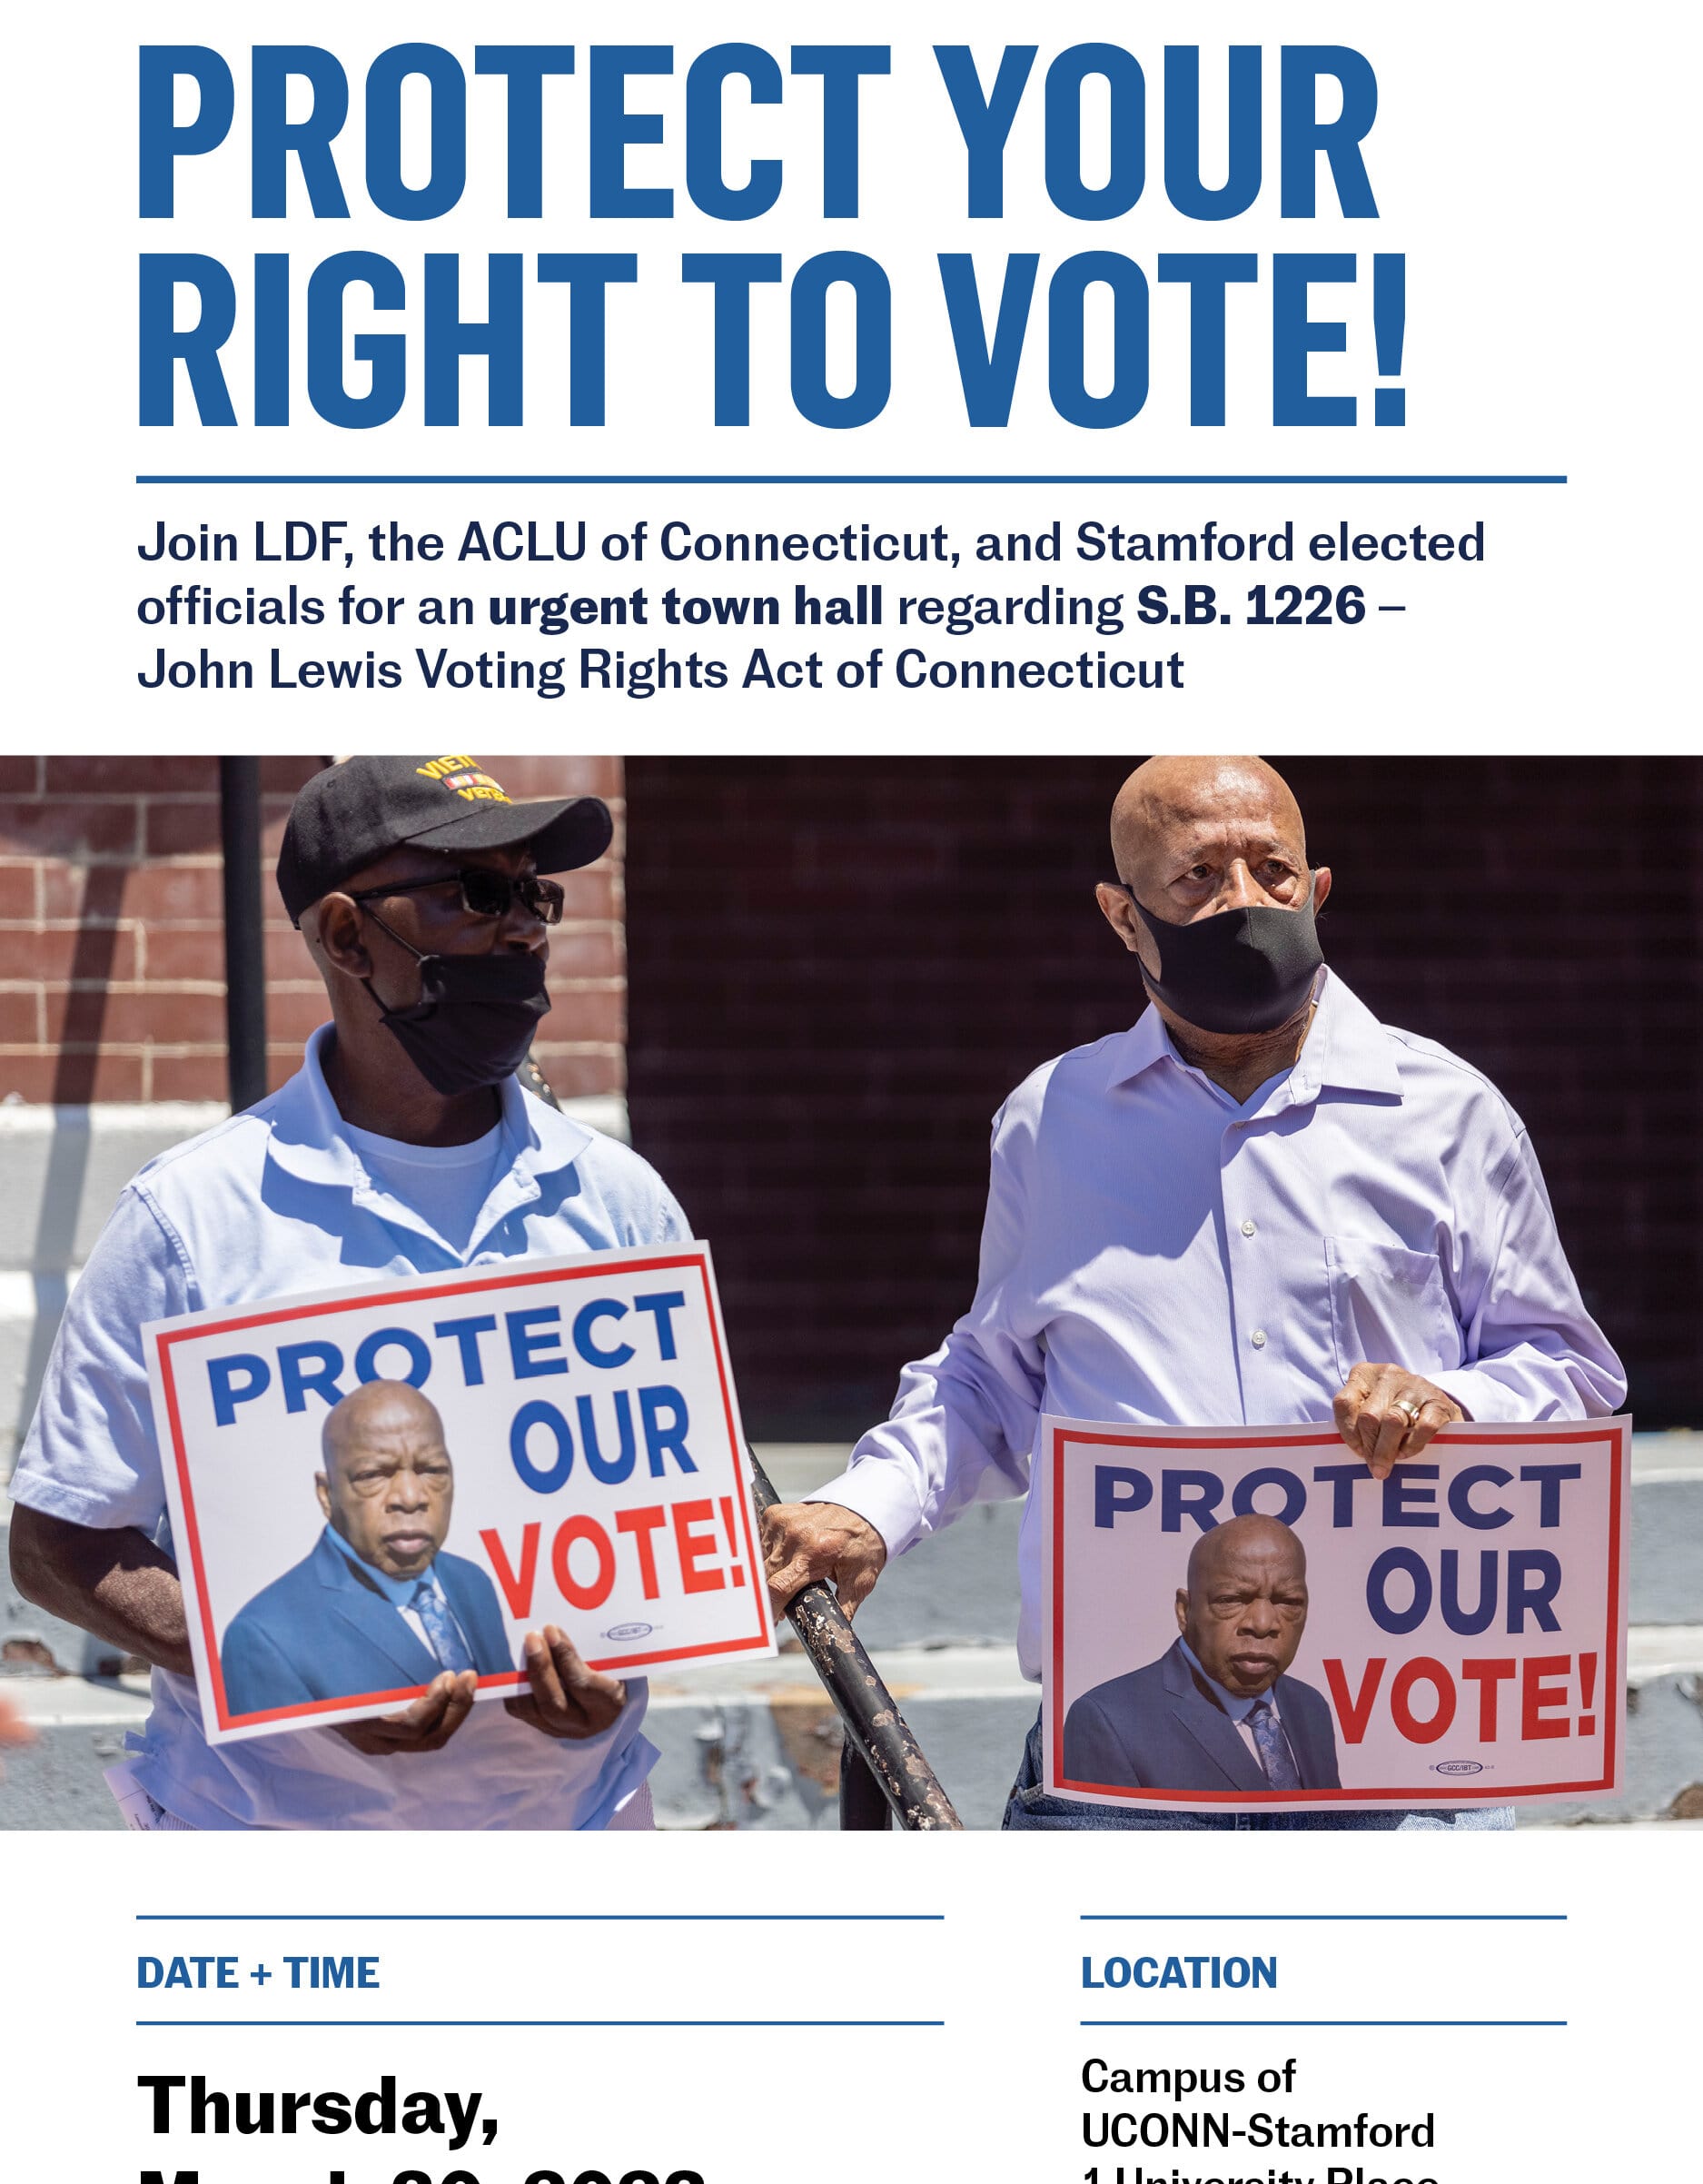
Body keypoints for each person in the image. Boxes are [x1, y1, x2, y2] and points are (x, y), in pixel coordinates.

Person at [761, 752, 1626, 1832]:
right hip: (1121, 1769)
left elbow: (1570, 1374)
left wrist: (1459, 1405)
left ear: (1317, 891)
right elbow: (992, 1373)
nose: (1245, 904)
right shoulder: (1053, 1121)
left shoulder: (1448, 1113)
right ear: (1123, 918)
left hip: (1396, 1773)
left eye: (1271, 870)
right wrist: (868, 1507)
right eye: (1198, 879)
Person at [8, 753, 686, 1830]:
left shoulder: (619, 1202)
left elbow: (670, 1511)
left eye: (534, 895)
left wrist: (638, 1648)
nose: (521, 929)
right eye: (475, 893)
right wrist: (276, 1669)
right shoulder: (191, 1221)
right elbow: (60, 1541)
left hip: (579, 1841)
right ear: (343, 936)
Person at [220, 1381, 513, 1717]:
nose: (410, 1497)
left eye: (432, 1470)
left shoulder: (470, 1582)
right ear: (327, 1495)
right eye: (374, 1474)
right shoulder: (264, 1637)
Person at [1061, 1514, 1341, 1796]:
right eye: (1231, 1600)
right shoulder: (1110, 1721)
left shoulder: (1309, 1705)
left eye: (1289, 1602)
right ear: (1184, 1611)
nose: (1263, 1623)